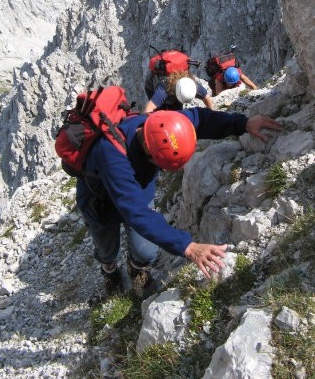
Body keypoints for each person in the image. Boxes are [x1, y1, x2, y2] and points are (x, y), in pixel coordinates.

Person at [76, 105, 281, 297]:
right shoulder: (112, 156)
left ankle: (136, 268)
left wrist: (243, 123)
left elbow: (202, 119)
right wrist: (189, 247)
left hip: (136, 194)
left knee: (146, 252)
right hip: (100, 205)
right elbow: (135, 213)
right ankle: (109, 270)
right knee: (106, 248)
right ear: (148, 150)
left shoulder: (166, 124)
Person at [144, 70, 214, 113]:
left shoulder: (192, 85)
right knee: (160, 112)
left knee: (177, 111)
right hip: (151, 87)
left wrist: (212, 113)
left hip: (177, 91)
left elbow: (206, 98)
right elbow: (148, 109)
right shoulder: (163, 89)